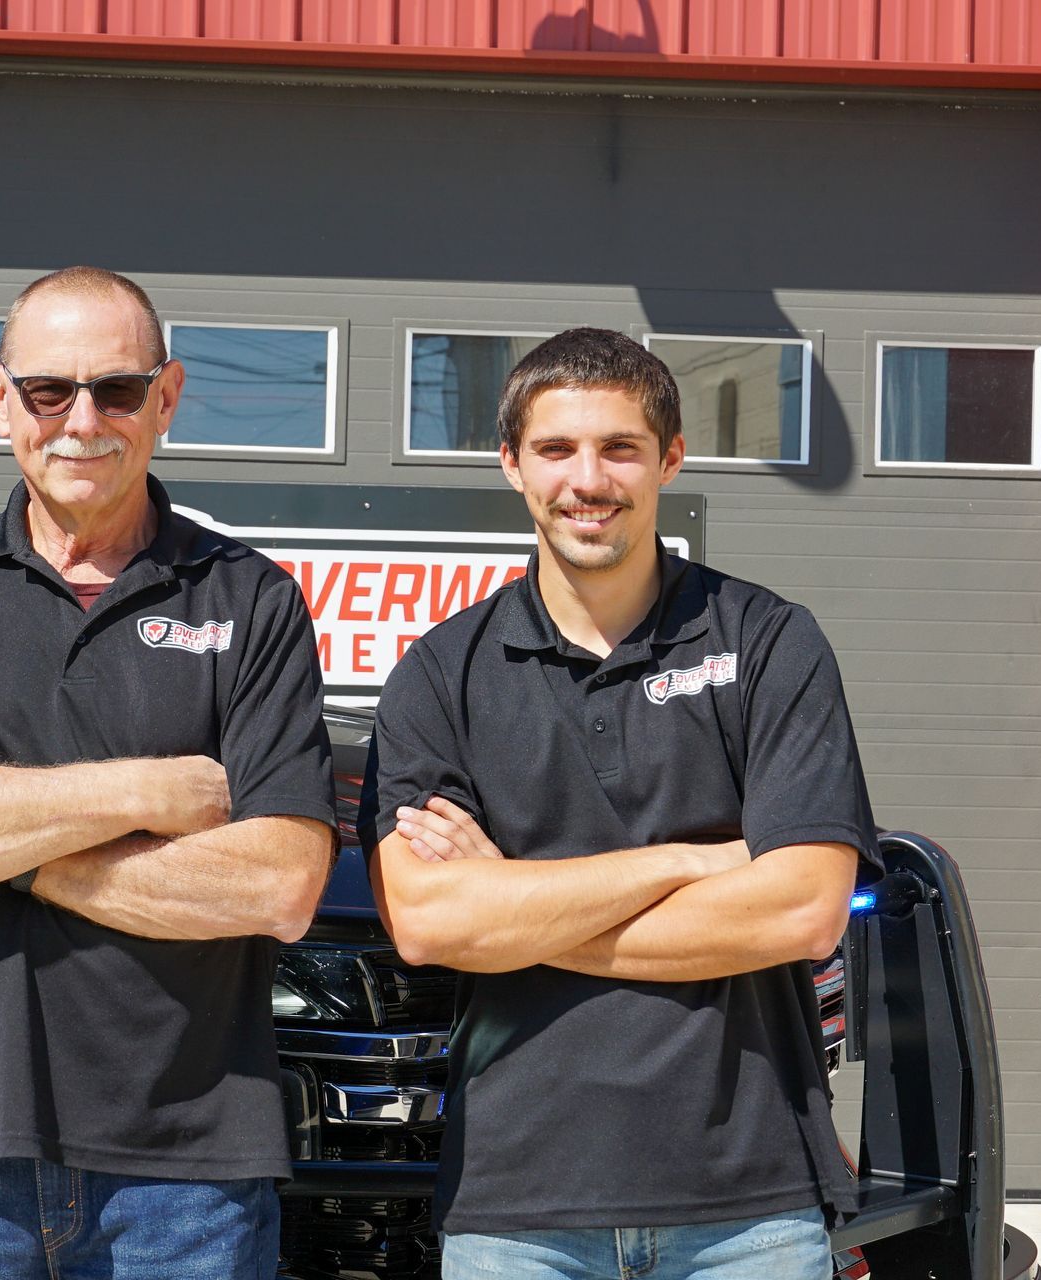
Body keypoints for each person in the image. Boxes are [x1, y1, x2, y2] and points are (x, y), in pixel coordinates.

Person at [0, 265, 336, 1279]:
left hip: (187, 1173)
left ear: (169, 397)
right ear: (0, 396)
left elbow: (279, 881)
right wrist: (140, 795)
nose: (82, 419)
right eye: (49, 389)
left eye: (118, 389)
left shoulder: (250, 599)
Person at [360, 328, 876, 1280]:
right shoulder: (441, 675)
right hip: (516, 1208)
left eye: (620, 448)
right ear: (512, 463)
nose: (586, 479)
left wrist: (514, 905)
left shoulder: (768, 644)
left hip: (748, 1208)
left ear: (670, 459)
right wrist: (696, 859)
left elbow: (803, 909)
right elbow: (431, 921)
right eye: (556, 449)